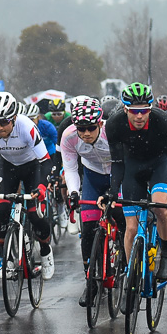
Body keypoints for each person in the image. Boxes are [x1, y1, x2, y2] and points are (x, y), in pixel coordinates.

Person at [103, 82, 167, 282]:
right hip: (132, 167)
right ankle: (132, 274)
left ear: (150, 108)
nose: (139, 116)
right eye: (134, 111)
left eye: (144, 110)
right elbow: (118, 163)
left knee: (160, 208)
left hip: (159, 164)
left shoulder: (163, 120)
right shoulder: (114, 124)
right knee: (130, 228)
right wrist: (113, 190)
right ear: (125, 109)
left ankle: (165, 255)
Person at [0, 91, 55, 281]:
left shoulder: (26, 127)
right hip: (7, 167)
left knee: (34, 214)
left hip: (33, 167)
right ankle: (9, 258)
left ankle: (45, 251)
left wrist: (42, 187)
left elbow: (45, 161)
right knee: (2, 210)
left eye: (4, 122)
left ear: (13, 118)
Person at [60, 97, 114, 305]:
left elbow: (123, 162)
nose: (86, 134)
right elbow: (71, 168)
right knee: (89, 228)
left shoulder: (112, 132)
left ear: (100, 123)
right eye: (81, 129)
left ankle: (128, 269)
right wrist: (74, 192)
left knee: (123, 218)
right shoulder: (69, 137)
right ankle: (90, 282)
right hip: (92, 177)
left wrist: (113, 189)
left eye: (91, 128)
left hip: (116, 174)